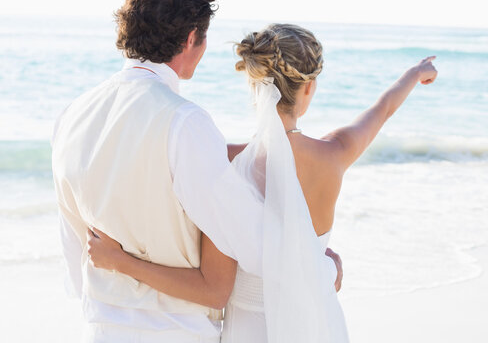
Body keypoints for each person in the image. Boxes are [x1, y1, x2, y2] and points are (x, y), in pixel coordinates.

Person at [87, 24, 438, 342]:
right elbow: (381, 110)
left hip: (249, 330)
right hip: (317, 321)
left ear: (254, 84)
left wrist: (120, 262)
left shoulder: (223, 163)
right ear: (309, 88)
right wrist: (414, 74)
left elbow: (211, 288)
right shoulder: (336, 154)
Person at [52, 0, 343, 343]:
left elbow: (75, 251)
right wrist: (323, 272)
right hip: (176, 331)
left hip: (101, 329)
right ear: (192, 39)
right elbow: (250, 241)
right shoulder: (184, 123)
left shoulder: (72, 115)